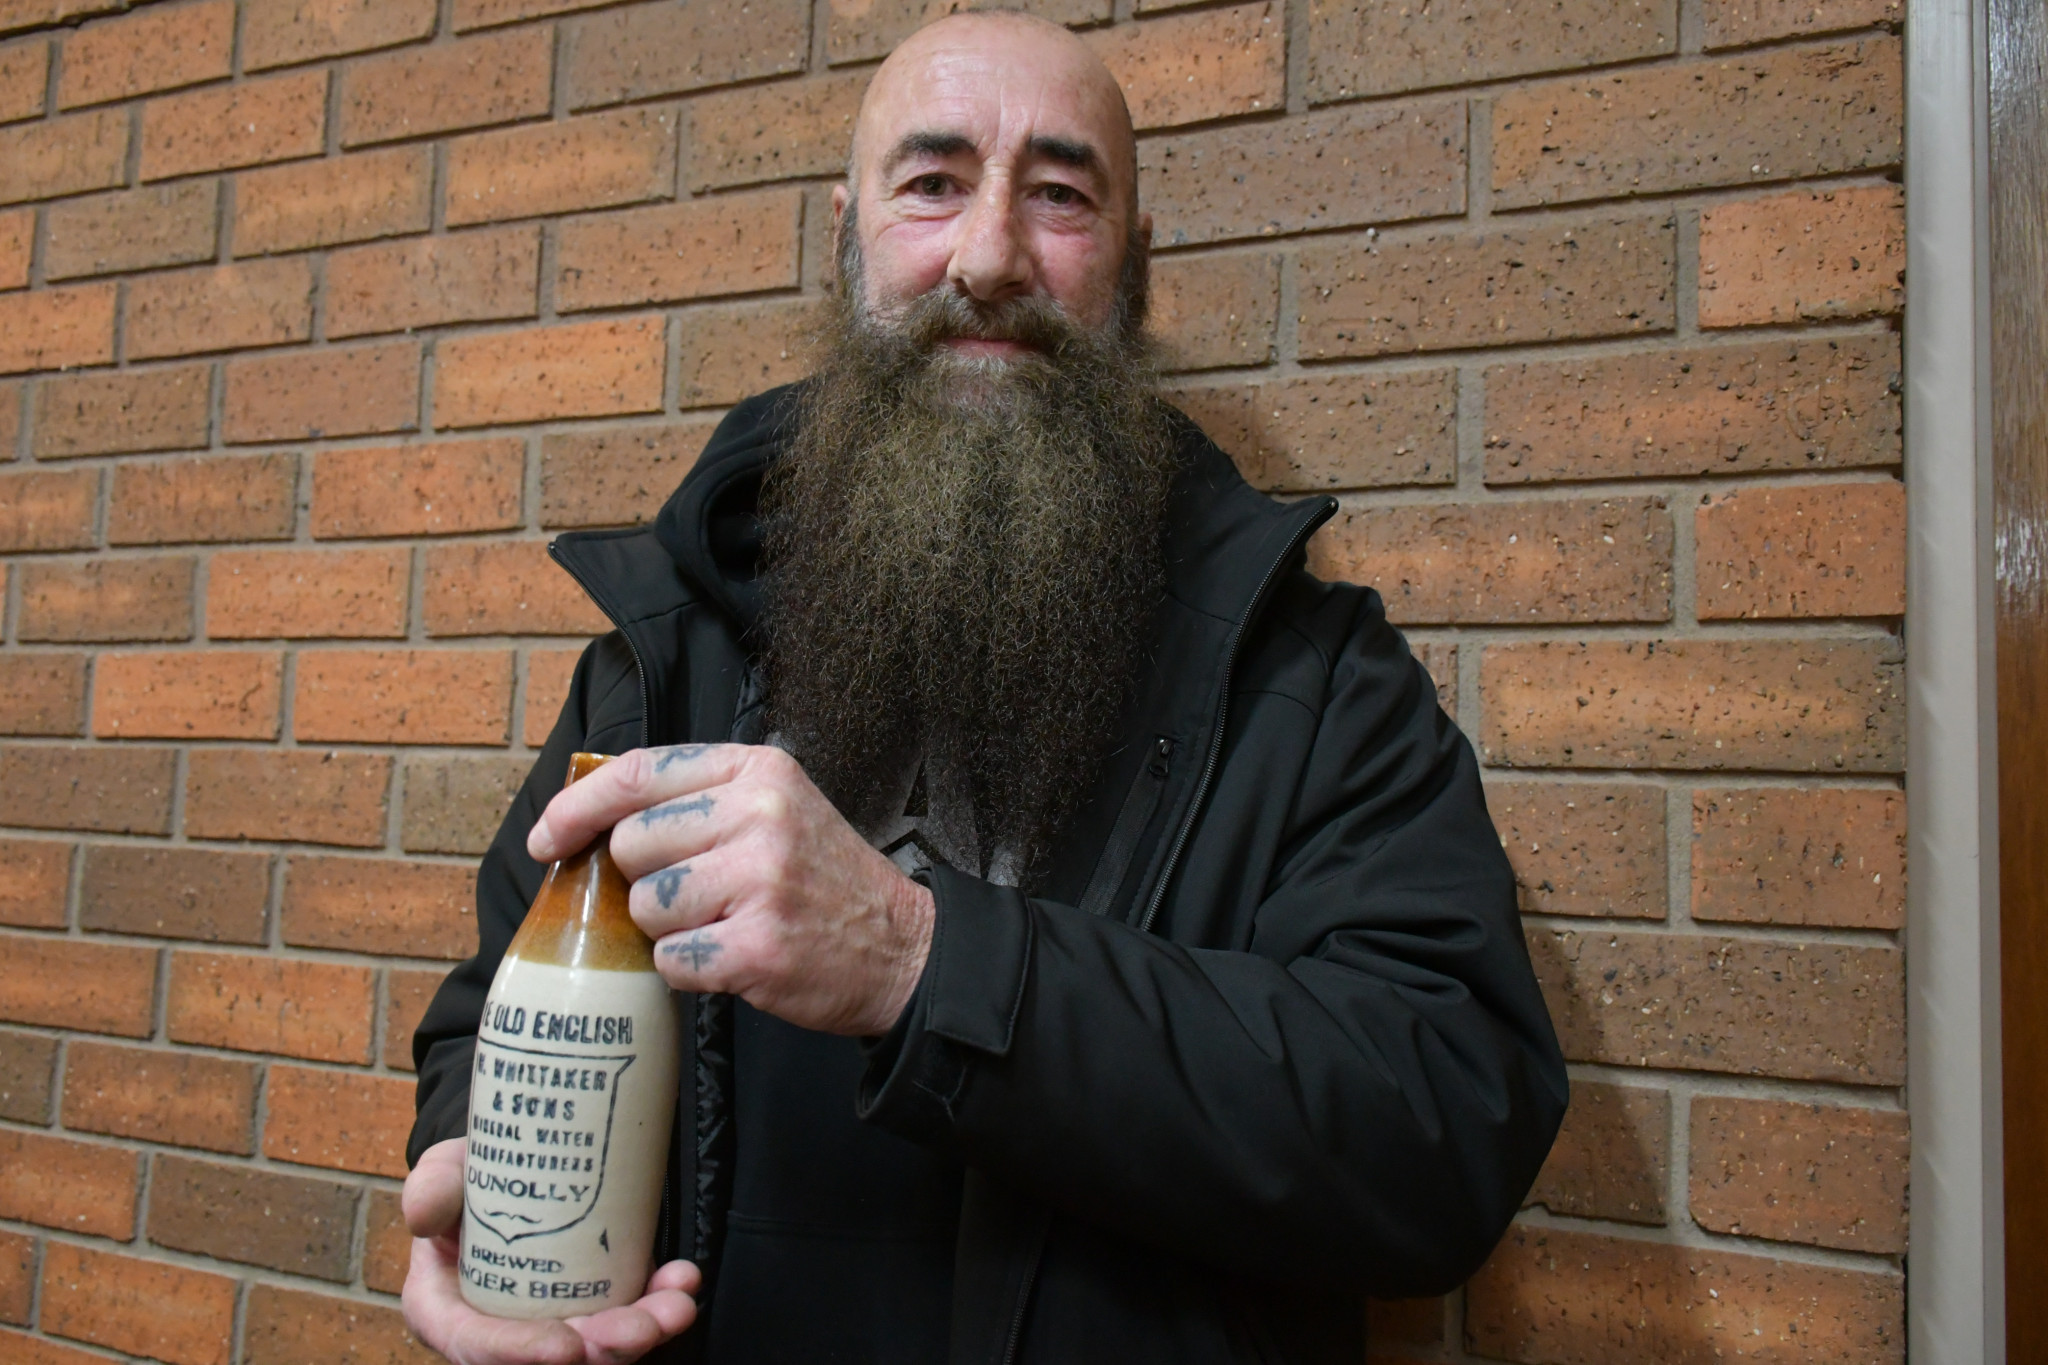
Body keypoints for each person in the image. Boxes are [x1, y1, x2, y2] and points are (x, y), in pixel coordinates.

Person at [399, 11, 1567, 1364]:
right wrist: (473, 1193)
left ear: (1136, 262)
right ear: (846, 237)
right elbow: (489, 1006)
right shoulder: (669, 648)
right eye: (933, 184)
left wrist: (922, 962)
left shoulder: (1304, 674)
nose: (992, 255)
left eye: (1061, 196)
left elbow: (1447, 1119)